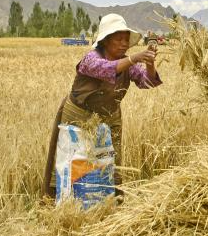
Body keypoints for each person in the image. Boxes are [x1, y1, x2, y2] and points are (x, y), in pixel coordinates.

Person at [42, 14, 161, 198]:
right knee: (75, 158)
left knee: (110, 159)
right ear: (105, 41)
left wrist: (150, 64)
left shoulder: (127, 63)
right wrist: (135, 58)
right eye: (118, 39)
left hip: (110, 116)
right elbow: (105, 69)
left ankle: (110, 197)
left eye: (126, 39)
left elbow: (147, 83)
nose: (124, 43)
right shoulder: (91, 58)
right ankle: (68, 199)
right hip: (80, 115)